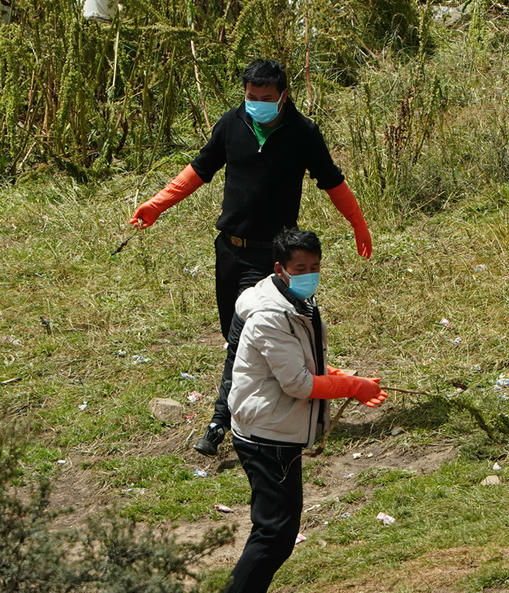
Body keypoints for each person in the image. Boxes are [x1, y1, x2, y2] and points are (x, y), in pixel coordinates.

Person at [129, 58, 372, 457]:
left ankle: (219, 424)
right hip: (230, 250)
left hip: (270, 257)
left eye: (266, 97)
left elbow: (331, 180)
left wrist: (358, 223)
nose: (257, 103)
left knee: (242, 336)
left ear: (283, 96)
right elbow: (200, 169)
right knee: (237, 336)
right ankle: (272, 405)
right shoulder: (232, 123)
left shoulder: (303, 133)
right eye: (251, 96)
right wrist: (157, 204)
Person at [198, 228, 387, 593]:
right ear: (280, 269)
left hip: (276, 427)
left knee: (279, 531)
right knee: (273, 531)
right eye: (301, 268)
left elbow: (299, 364)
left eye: (315, 267)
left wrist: (340, 377)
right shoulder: (270, 314)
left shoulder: (295, 303)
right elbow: (299, 384)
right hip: (266, 433)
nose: (309, 275)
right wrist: (352, 386)